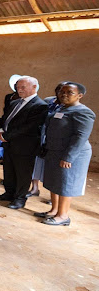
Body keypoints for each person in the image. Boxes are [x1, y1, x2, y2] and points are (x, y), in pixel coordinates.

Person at [35, 83, 95, 226]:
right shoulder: (61, 108)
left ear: (80, 95)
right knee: (55, 181)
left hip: (72, 154)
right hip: (55, 151)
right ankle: (54, 210)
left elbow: (80, 136)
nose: (64, 95)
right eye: (62, 92)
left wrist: (68, 157)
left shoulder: (84, 112)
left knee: (65, 183)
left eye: (70, 92)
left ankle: (63, 216)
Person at [0, 76, 48, 210]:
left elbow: (30, 127)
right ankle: (9, 193)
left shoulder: (40, 106)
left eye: (23, 87)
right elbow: (4, 119)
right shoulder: (15, 102)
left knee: (23, 173)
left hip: (25, 146)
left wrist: (6, 136)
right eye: (18, 87)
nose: (19, 89)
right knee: (9, 170)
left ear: (34, 87)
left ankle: (20, 199)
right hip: (8, 143)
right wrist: (0, 130)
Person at [27, 82, 67, 198]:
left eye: (64, 91)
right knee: (36, 162)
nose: (61, 93)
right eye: (59, 90)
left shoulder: (69, 106)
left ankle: (53, 195)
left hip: (56, 138)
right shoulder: (48, 100)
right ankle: (34, 188)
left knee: (52, 166)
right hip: (41, 135)